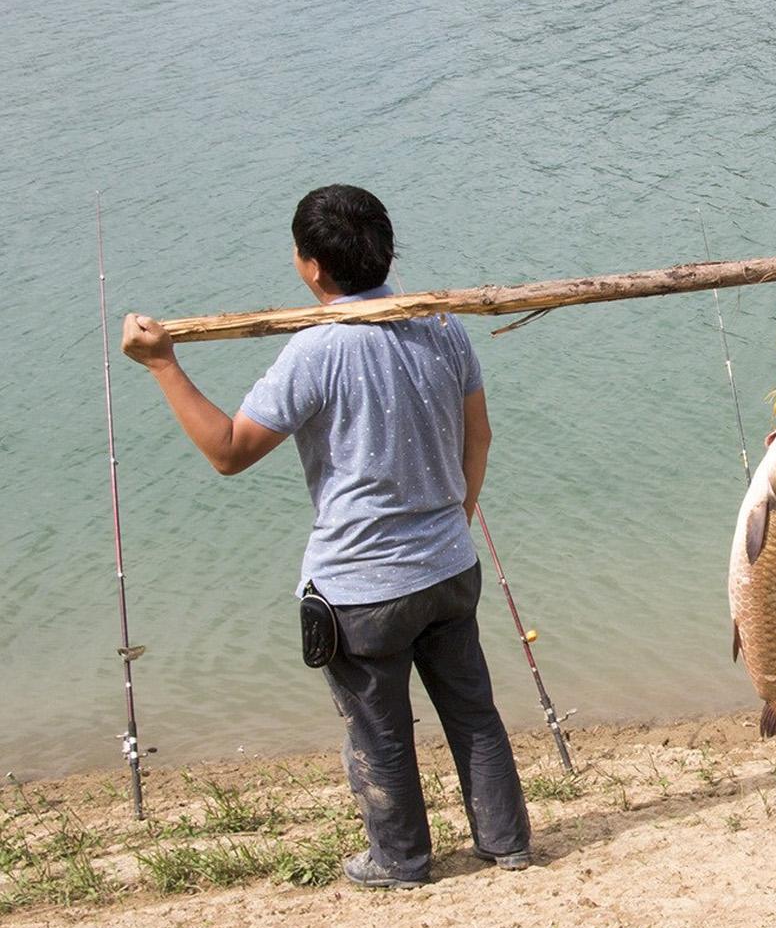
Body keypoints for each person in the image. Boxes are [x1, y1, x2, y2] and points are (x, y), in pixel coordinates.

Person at [121, 184, 531, 886]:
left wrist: (163, 365)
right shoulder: (441, 327)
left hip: (361, 589)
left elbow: (228, 451)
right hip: (449, 568)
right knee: (474, 715)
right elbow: (479, 437)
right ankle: (508, 845)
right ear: (386, 250)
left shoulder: (317, 350)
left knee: (380, 734)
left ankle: (399, 862)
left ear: (311, 266)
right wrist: (450, 525)